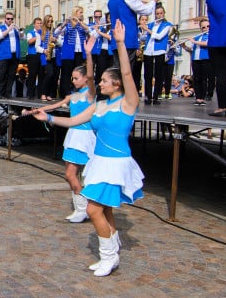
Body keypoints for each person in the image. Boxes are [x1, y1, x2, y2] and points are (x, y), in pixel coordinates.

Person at [33, 21, 144, 277]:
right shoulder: (99, 106)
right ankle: (112, 251)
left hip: (116, 163)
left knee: (93, 209)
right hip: (99, 161)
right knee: (104, 209)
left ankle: (108, 257)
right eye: (101, 80)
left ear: (116, 84)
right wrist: (48, 118)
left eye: (105, 81)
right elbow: (72, 121)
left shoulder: (128, 103)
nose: (101, 84)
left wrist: (118, 42)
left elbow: (127, 75)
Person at [28, 35, 96, 222]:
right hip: (73, 134)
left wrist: (88, 55)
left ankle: (82, 209)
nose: (73, 81)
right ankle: (81, 207)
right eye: (72, 78)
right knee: (71, 173)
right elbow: (57, 104)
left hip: (84, 136)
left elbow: (91, 76)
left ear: (84, 79)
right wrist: (38, 109)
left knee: (72, 174)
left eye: (76, 78)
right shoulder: (74, 95)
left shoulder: (90, 94)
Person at [107, 0, 155, 68]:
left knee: (117, 70)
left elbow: (123, 10)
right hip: (128, 39)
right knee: (127, 70)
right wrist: (153, 0)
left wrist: (138, 2)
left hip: (116, 39)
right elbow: (147, 10)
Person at [141, 5, 171, 105]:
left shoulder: (167, 25)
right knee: (147, 75)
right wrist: (142, 30)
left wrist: (147, 29)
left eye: (161, 13)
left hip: (159, 51)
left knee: (158, 74)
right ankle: (148, 96)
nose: (159, 15)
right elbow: (143, 38)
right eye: (157, 14)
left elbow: (159, 36)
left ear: (164, 13)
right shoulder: (151, 24)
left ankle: (156, 96)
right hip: (148, 51)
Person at [56, 7, 89, 98]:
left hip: (79, 52)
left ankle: (77, 93)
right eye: (80, 12)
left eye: (82, 12)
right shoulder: (68, 25)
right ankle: (65, 94)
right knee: (66, 74)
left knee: (79, 73)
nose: (81, 14)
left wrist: (81, 23)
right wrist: (65, 23)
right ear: (75, 13)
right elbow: (56, 33)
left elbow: (90, 32)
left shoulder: (82, 25)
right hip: (68, 53)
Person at [0, 12, 23, 99]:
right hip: (4, 55)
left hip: (14, 55)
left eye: (11, 19)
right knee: (2, 74)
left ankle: (8, 93)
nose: (10, 20)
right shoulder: (0, 28)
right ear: (5, 19)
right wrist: (9, 29)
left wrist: (20, 30)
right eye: (8, 18)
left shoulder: (15, 30)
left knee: (11, 75)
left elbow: (23, 37)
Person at [25, 17, 45, 100]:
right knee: (32, 75)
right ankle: (30, 94)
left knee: (41, 75)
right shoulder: (31, 32)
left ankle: (40, 94)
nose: (39, 25)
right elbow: (29, 41)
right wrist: (38, 36)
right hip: (32, 55)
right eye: (38, 23)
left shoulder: (43, 32)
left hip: (41, 55)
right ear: (34, 24)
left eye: (41, 23)